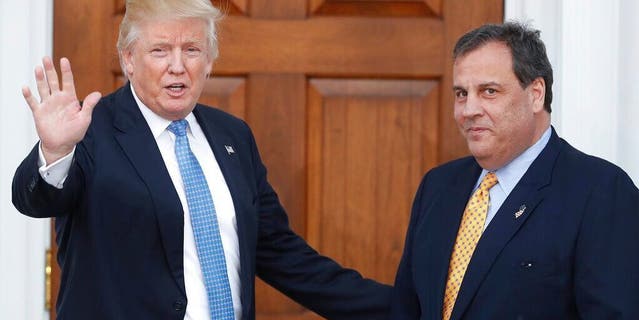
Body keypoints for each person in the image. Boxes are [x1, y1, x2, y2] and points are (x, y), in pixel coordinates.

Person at [12, 1, 390, 319]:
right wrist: (57, 151)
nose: (178, 66)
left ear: (209, 61)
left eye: (191, 50)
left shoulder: (233, 137)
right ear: (128, 59)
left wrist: (402, 307)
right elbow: (36, 200)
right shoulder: (92, 131)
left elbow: (282, 254)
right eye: (160, 50)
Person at [390, 22, 639, 320]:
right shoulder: (438, 186)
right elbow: (407, 307)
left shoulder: (601, 192)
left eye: (489, 91)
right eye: (461, 93)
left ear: (536, 94)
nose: (468, 110)